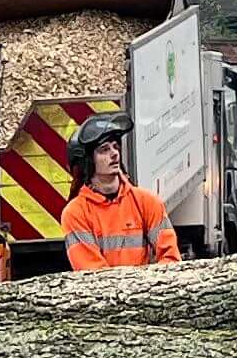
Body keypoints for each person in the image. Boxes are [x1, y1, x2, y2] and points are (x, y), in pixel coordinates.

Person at [57, 113, 182, 272]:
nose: (114, 153)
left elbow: (171, 259)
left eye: (116, 146)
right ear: (87, 161)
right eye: (104, 149)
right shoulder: (76, 213)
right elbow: (91, 274)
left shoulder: (146, 202)